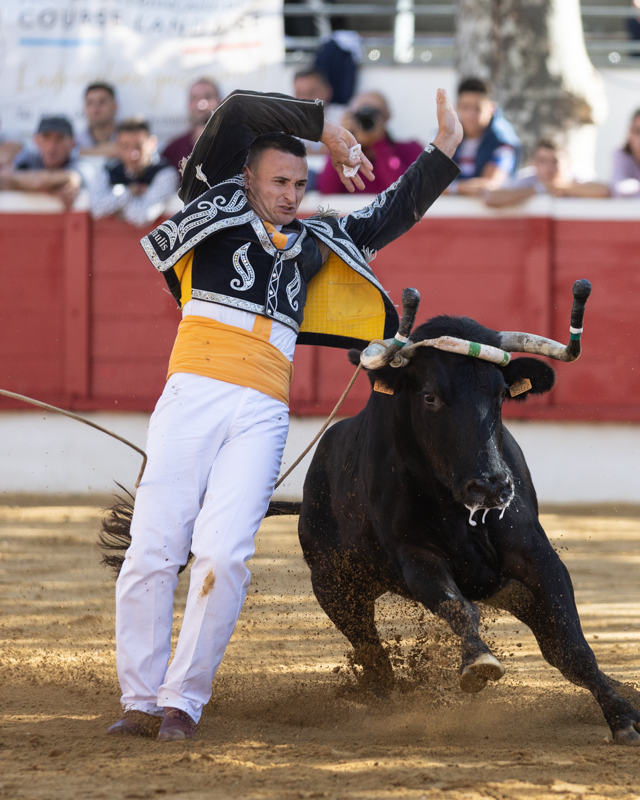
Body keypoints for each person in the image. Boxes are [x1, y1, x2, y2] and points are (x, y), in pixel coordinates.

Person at [109, 88, 462, 742]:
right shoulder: (211, 203)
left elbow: (390, 213)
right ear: (246, 178)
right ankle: (139, 700)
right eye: (279, 182)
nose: (291, 195)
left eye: (300, 185)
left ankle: (182, 702)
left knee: (224, 555)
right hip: (191, 396)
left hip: (261, 412)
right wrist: (324, 129)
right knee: (153, 547)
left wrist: (444, 149)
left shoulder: (315, 242)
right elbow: (240, 110)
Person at [316, 91, 423, 195]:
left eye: (375, 113)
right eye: (360, 113)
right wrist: (340, 142)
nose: (366, 118)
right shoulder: (345, 154)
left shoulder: (411, 149)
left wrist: (379, 144)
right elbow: (327, 191)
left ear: (387, 116)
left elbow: (405, 191)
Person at [89, 118, 179, 226]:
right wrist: (131, 191)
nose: (132, 154)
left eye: (138, 146)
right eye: (125, 146)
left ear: (152, 143)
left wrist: (115, 200)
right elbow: (96, 208)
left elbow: (143, 216)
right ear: (117, 145)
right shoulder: (109, 170)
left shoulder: (166, 173)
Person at [484, 140, 610, 207]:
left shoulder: (578, 176)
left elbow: (604, 191)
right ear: (535, 164)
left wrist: (560, 187)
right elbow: (491, 197)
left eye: (555, 161)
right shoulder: (526, 179)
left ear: (568, 163)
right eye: (543, 161)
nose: (549, 168)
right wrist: (538, 190)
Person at [452, 77, 521, 195]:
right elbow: (429, 181)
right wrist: (461, 188)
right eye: (465, 106)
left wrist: (448, 188)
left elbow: (489, 185)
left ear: (492, 108)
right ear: (457, 107)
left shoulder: (503, 140)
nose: (470, 114)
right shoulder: (444, 135)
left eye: (477, 108)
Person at [0, 116, 85, 208]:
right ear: (36, 140)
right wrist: (59, 183)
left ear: (72, 143)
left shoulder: (80, 163)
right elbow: (2, 181)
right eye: (46, 138)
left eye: (59, 139)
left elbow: (39, 182)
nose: (52, 147)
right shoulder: (29, 156)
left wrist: (18, 181)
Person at [161, 79, 221, 170]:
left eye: (208, 97)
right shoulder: (173, 151)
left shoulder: (235, 146)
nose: (201, 105)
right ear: (188, 104)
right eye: (194, 98)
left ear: (219, 101)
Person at [76, 82, 118, 157]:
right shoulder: (76, 140)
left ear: (115, 106)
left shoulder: (128, 135)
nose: (95, 109)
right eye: (90, 103)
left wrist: (83, 152)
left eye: (102, 102)